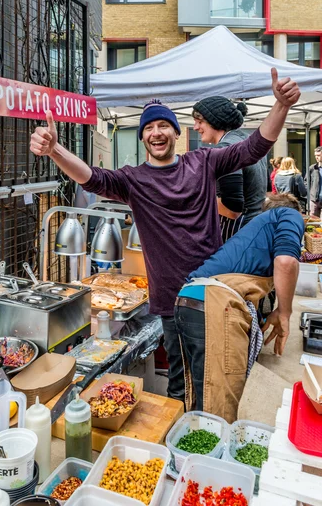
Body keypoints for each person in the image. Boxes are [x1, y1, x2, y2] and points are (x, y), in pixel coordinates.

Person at [30, 68, 300, 403]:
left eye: (163, 126)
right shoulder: (133, 180)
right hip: (170, 301)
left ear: (175, 132)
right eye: (149, 128)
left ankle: (207, 439)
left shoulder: (203, 162)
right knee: (177, 381)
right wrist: (56, 151)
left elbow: (253, 148)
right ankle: (177, 443)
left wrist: (281, 107)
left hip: (211, 294)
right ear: (143, 137)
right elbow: (92, 178)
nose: (156, 133)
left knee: (216, 380)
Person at [175, 192, 303, 422]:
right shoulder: (290, 214)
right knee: (221, 410)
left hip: (192, 301)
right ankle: (212, 456)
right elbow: (286, 262)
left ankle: (196, 455)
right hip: (214, 303)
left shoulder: (257, 230)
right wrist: (285, 313)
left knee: (204, 397)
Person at [192, 99, 267, 242]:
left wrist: (194, 200)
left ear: (215, 121)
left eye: (199, 122)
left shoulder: (225, 148)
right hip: (255, 228)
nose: (195, 127)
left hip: (237, 233)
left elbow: (232, 209)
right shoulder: (248, 141)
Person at [307, 146, 322, 217]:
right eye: (315, 155)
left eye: (318, 155)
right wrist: (310, 194)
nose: (316, 157)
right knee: (314, 221)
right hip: (314, 199)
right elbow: (306, 182)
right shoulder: (312, 168)